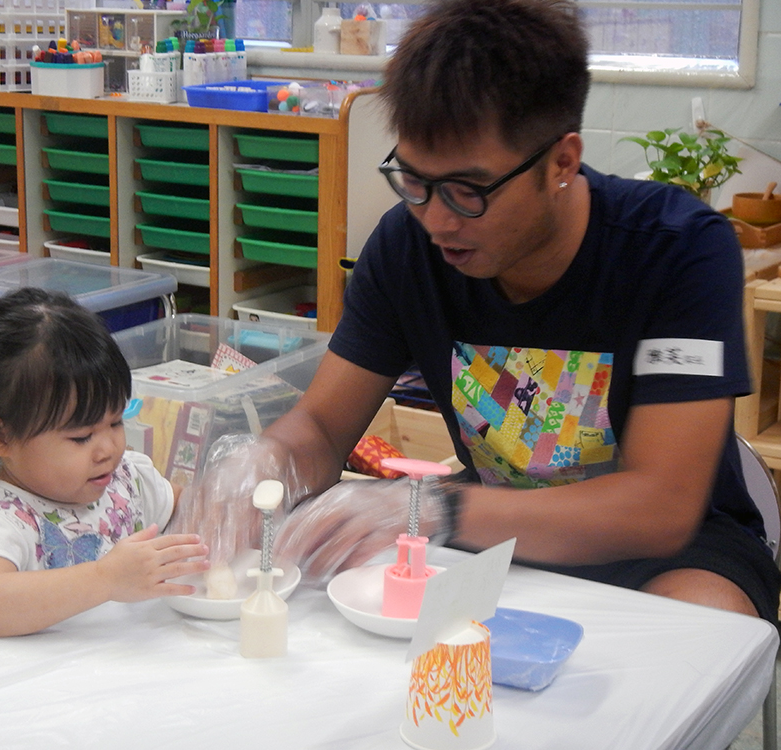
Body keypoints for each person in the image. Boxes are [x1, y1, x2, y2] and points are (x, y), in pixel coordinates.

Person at [173, 0, 780, 623]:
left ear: (562, 162)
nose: (437, 220)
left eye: (468, 191)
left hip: (669, 553)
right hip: (496, 532)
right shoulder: (406, 249)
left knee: (690, 633)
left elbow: (660, 508)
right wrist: (261, 466)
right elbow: (324, 429)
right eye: (415, 182)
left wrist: (431, 507)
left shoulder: (676, 250)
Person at [0, 288, 209, 637]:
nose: (108, 449)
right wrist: (105, 579)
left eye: (116, 422)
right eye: (81, 437)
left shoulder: (125, 481)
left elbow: (190, 509)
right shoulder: (2, 521)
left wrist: (227, 503)